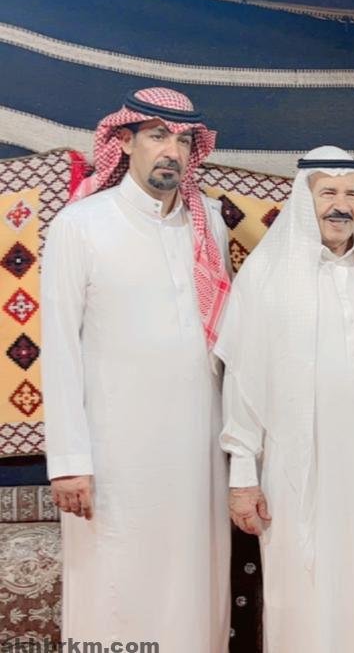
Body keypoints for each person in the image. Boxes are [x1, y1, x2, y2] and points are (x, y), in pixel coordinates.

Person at [217, 146, 354, 652]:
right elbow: (243, 383)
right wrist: (243, 477)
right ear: (305, 200)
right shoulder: (268, 276)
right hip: (297, 471)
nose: (341, 205)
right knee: (302, 590)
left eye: (351, 194)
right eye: (328, 193)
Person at [42, 87, 231, 651]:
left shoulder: (208, 224)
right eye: (157, 136)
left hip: (196, 448)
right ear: (123, 142)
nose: (172, 151)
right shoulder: (81, 224)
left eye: (183, 140)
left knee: (194, 586)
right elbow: (60, 346)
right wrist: (69, 462)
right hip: (113, 454)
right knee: (116, 588)